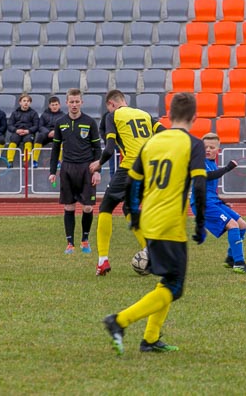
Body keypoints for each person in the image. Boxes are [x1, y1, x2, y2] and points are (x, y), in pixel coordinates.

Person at [103, 92, 207, 355]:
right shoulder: (193, 144)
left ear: (169, 116)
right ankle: (119, 321)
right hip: (169, 223)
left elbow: (132, 180)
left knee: (167, 279)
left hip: (149, 218)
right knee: (174, 286)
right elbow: (200, 185)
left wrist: (135, 216)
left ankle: (150, 339)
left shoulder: (153, 143)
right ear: (194, 118)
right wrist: (200, 223)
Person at [89, 90, 164, 276]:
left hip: (131, 167)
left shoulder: (112, 116)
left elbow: (109, 148)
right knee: (129, 210)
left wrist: (98, 164)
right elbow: (164, 134)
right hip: (150, 168)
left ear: (111, 104)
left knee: (106, 208)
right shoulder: (144, 114)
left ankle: (102, 261)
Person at [191, 133, 246, 274]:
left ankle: (231, 259)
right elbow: (207, 177)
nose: (208, 150)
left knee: (242, 225)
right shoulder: (199, 162)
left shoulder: (212, 164)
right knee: (232, 226)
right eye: (205, 147)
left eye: (211, 147)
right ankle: (239, 263)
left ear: (218, 150)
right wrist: (228, 168)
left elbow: (210, 189)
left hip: (212, 201)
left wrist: (222, 202)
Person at [48, 89, 102, 254]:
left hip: (86, 168)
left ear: (81, 103)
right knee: (69, 206)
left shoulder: (90, 122)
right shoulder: (60, 122)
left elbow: (97, 148)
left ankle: (85, 240)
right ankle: (70, 243)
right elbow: (55, 148)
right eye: (71, 102)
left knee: (87, 207)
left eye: (77, 101)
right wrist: (52, 171)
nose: (74, 104)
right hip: (67, 168)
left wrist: (97, 170)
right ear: (67, 103)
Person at [6, 93, 40, 167]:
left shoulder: (34, 113)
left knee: (28, 141)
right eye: (24, 101)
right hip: (17, 132)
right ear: (20, 102)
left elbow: (36, 126)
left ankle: (26, 161)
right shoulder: (15, 113)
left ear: (30, 103)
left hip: (28, 132)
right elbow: (10, 125)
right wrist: (16, 130)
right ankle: (10, 161)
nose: (26, 102)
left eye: (28, 101)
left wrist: (28, 131)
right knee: (13, 141)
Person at [32, 96, 65, 169]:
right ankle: (34, 161)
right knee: (39, 137)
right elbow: (40, 126)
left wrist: (55, 132)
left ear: (59, 105)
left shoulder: (63, 115)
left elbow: (64, 127)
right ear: (49, 106)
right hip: (46, 134)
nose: (54, 107)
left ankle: (58, 161)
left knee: (60, 139)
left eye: (56, 104)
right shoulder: (44, 115)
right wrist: (48, 132)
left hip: (57, 134)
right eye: (53, 105)